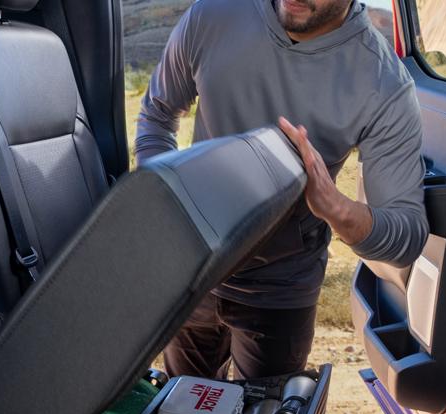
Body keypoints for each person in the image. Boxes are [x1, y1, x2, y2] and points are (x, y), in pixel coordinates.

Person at [137, 0, 428, 379]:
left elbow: (406, 236)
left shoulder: (383, 82)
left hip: (280, 288)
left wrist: (336, 207)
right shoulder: (214, 13)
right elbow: (158, 114)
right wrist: (163, 205)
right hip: (194, 270)